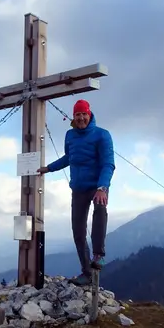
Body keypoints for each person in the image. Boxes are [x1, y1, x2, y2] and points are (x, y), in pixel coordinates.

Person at [38, 99, 115, 286]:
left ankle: (98, 254)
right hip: (78, 189)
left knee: (100, 210)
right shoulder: (70, 135)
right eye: (77, 115)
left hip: (97, 187)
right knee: (78, 231)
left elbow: (108, 164)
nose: (81, 118)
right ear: (73, 117)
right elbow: (68, 158)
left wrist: (102, 188)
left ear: (89, 114)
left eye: (84, 114)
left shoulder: (102, 135)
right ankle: (86, 273)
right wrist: (48, 168)